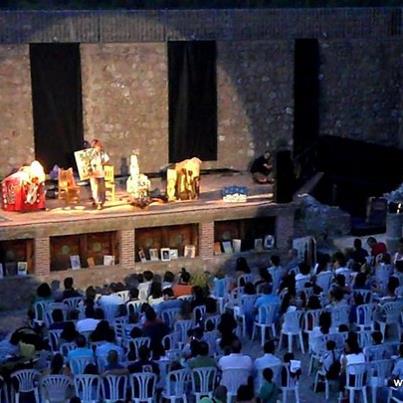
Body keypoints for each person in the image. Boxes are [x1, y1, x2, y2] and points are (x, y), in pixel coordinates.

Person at [88, 139, 109, 210]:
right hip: (93, 173)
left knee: (101, 188)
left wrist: (102, 164)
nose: (98, 148)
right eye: (96, 146)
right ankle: (98, 202)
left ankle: (100, 201)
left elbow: (106, 160)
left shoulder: (102, 153)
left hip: (100, 172)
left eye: (98, 146)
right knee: (95, 188)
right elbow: (85, 162)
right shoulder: (90, 153)